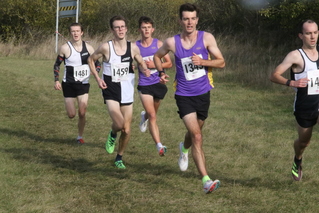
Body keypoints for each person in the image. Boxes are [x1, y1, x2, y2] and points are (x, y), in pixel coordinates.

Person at [153, 3, 225, 193]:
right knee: (198, 136)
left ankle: (183, 149)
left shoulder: (207, 38)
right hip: (183, 94)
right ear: (180, 20)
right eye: (186, 18)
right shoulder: (172, 42)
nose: (189, 22)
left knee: (194, 134)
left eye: (193, 18)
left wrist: (203, 62)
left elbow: (221, 62)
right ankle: (206, 180)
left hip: (203, 94)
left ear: (197, 20)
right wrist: (161, 73)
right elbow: (156, 57)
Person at [88, 15, 150, 169]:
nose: (120, 29)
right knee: (119, 123)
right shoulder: (106, 47)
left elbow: (141, 62)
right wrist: (97, 78)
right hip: (110, 89)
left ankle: (119, 157)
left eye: (122, 26)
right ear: (112, 30)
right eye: (117, 27)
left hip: (127, 91)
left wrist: (145, 69)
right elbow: (90, 59)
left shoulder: (133, 48)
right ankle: (112, 134)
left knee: (127, 130)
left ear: (126, 28)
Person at [270, 19, 319, 181]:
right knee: (304, 142)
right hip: (305, 106)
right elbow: (274, 75)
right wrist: (292, 82)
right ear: (301, 35)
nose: (312, 37)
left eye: (315, 32)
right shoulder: (295, 56)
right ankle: (297, 159)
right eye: (308, 33)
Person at [53, 22, 100, 144]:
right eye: (73, 31)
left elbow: (98, 64)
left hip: (83, 84)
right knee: (71, 114)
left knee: (82, 112)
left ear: (82, 32)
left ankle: (80, 137)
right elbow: (57, 65)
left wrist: (93, 72)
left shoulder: (89, 48)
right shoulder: (65, 48)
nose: (75, 33)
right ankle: (71, 111)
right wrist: (56, 80)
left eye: (77, 31)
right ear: (70, 33)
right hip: (68, 84)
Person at [136, 16, 173, 156]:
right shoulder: (135, 46)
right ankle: (159, 145)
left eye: (148, 28)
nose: (146, 30)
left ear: (153, 29)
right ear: (140, 29)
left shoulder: (158, 44)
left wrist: (155, 65)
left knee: (152, 114)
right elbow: (130, 64)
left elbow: (169, 63)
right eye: (143, 28)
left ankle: (143, 117)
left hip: (158, 83)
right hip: (144, 85)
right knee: (153, 115)